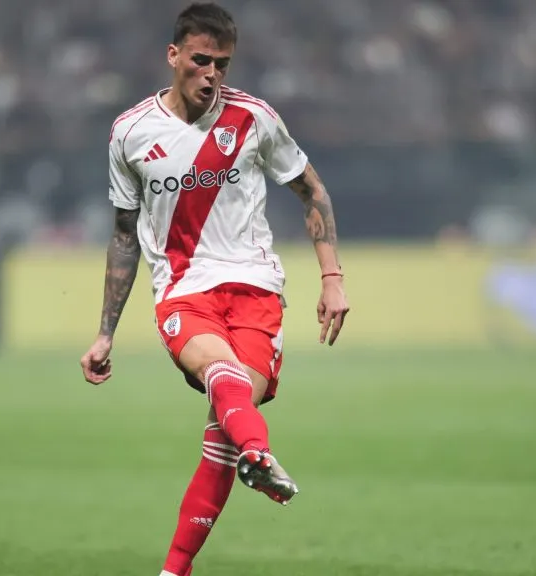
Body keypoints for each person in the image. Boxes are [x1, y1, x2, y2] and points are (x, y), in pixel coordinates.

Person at [78, 3, 350, 575]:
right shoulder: (130, 133)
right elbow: (125, 235)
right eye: (200, 61)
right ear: (173, 56)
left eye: (221, 64)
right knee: (224, 383)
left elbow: (312, 190)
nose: (211, 75)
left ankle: (173, 571)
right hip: (184, 292)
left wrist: (332, 278)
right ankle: (261, 452)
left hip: (257, 293)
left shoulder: (254, 119)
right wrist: (106, 332)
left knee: (223, 429)